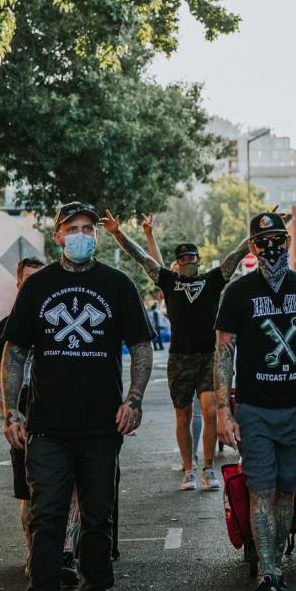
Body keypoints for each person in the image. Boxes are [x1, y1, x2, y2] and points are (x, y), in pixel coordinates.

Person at [0, 201, 154, 591]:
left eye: (89, 228)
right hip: (47, 427)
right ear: (59, 233)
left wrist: (135, 399)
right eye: (73, 228)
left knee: (97, 520)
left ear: (97, 235)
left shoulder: (116, 284)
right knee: (47, 519)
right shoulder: (39, 286)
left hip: (101, 427)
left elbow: (141, 346)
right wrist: (13, 410)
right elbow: (15, 351)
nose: (82, 234)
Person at [214, 212, 296, 591]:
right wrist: (223, 410)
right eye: (263, 241)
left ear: (289, 241)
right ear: (252, 247)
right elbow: (224, 354)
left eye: (278, 238)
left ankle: (276, 568)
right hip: (256, 410)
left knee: (286, 493)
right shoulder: (238, 293)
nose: (271, 247)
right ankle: (268, 574)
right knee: (261, 489)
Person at [102, 209, 248, 492]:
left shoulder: (212, 280)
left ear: (199, 260)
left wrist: (256, 233)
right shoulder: (169, 281)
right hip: (179, 359)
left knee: (208, 411)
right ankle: (188, 469)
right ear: (177, 263)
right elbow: (143, 260)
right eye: (182, 259)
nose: (187, 262)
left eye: (191, 258)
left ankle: (208, 468)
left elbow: (236, 256)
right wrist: (118, 233)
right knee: (182, 415)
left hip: (209, 357)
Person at [0, 257, 83, 586]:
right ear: (19, 284)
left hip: (65, 412)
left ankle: (65, 554)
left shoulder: (63, 319)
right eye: (28, 279)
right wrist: (12, 414)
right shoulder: (9, 326)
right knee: (32, 493)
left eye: (41, 278)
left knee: (72, 488)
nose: (35, 285)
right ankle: (36, 555)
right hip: (26, 413)